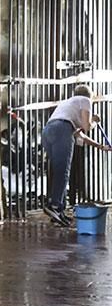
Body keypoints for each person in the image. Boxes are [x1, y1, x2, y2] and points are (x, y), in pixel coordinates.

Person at [41, 84, 111, 226]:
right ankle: (54, 205)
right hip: (62, 130)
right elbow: (86, 127)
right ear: (89, 95)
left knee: (57, 170)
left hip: (48, 131)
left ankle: (58, 212)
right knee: (63, 171)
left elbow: (80, 135)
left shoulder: (68, 104)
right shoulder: (85, 101)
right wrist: (94, 120)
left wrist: (100, 146)